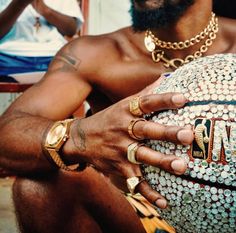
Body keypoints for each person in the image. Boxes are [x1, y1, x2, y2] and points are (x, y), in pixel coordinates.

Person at [0, 0, 235, 233]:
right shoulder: (98, 54)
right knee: (39, 186)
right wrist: (79, 136)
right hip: (144, 214)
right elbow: (7, 136)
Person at [0, 0, 83, 77]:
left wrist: (45, 10)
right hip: (8, 55)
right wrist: (19, 4)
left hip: (53, 55)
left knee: (81, 66)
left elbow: (71, 30)